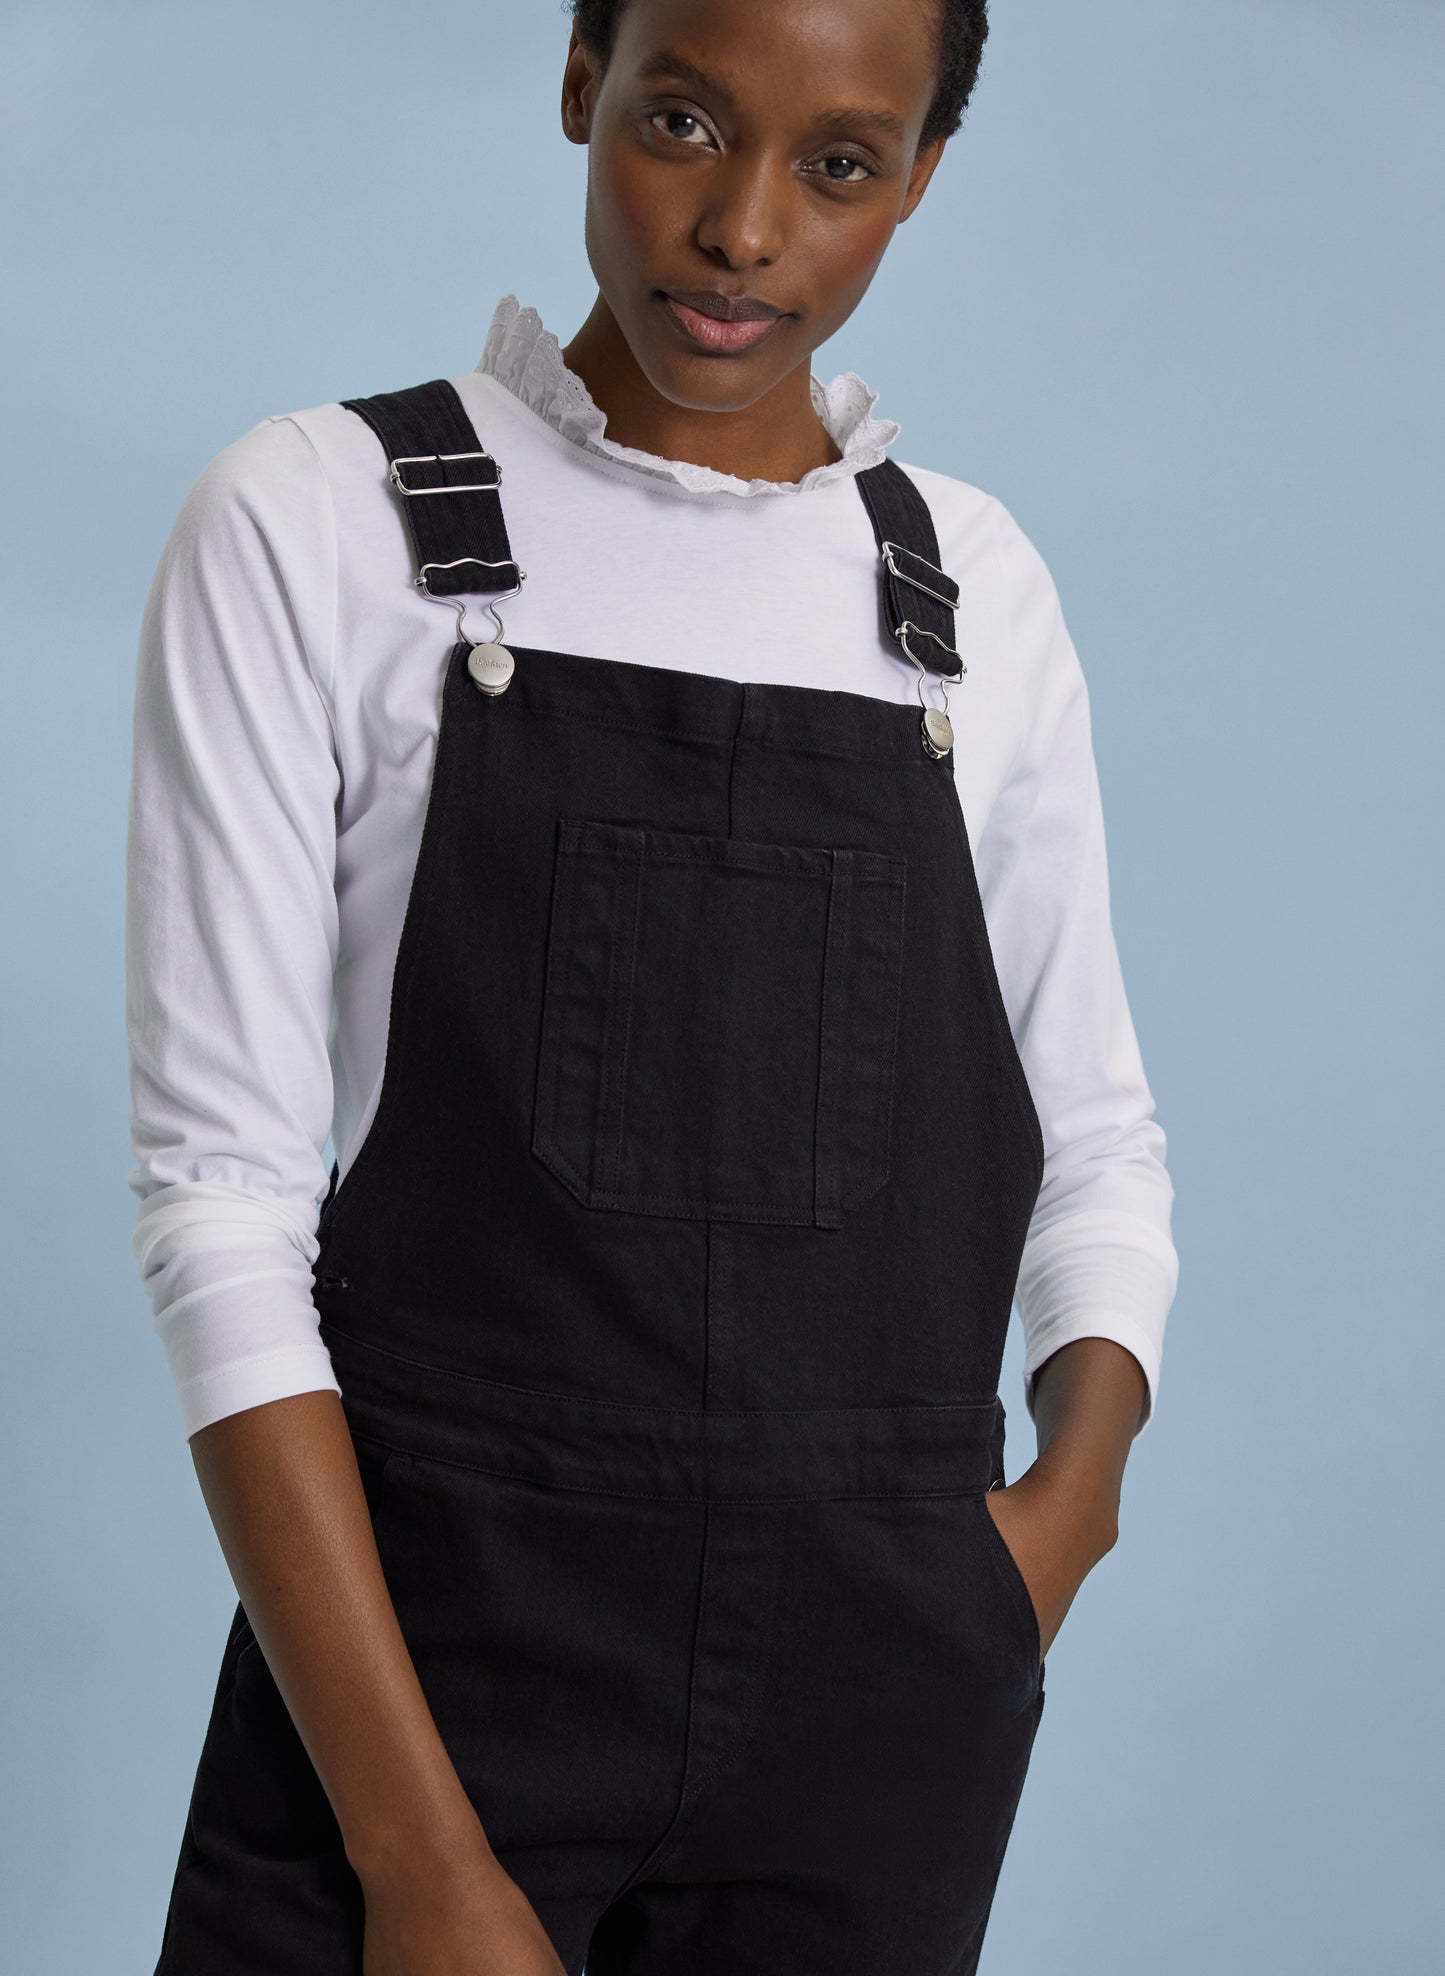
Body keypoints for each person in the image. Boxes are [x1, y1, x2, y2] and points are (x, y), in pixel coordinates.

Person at [127, 2, 1178, 1971]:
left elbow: (1093, 1140)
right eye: (683, 122)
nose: (744, 230)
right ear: (576, 82)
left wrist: (1060, 1524)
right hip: (427, 1673)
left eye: (841, 164)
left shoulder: (967, 593)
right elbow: (222, 1209)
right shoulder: (319, 518)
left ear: (921, 179)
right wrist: (413, 1854)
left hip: (873, 1711)